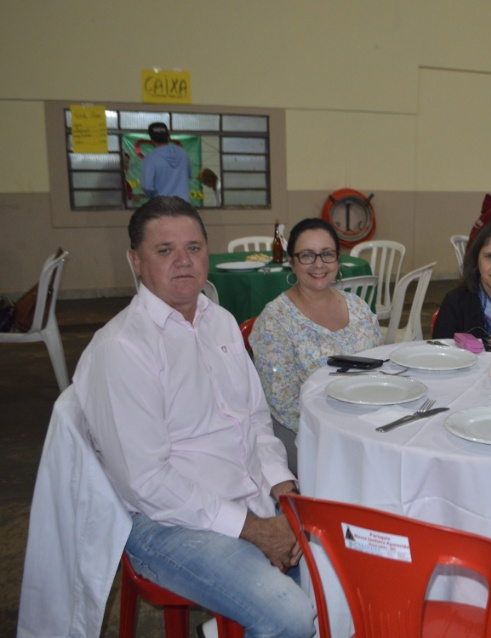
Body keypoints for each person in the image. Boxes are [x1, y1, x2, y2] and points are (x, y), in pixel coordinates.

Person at [73, 197, 314, 636]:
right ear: (136, 261)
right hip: (163, 525)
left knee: (339, 585)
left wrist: (283, 489)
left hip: (248, 498)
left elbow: (256, 418)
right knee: (291, 616)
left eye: (194, 247)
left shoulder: (219, 322)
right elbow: (147, 482)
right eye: (164, 250)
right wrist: (255, 530)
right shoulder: (122, 349)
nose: (183, 261)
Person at [249, 217, 382, 471]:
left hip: (369, 420)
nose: (319, 264)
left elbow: (379, 369)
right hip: (309, 433)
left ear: (338, 259)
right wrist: (346, 431)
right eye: (307, 255)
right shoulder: (276, 320)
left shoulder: (358, 306)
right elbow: (284, 405)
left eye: (327, 254)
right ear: (291, 262)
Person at [140, 122, 191, 202]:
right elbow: (188, 175)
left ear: (151, 139)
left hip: (162, 205)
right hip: (184, 204)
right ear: (168, 137)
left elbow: (147, 186)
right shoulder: (182, 153)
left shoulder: (151, 158)